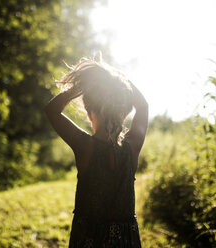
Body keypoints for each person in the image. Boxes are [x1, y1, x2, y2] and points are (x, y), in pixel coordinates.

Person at [44, 58, 148, 248]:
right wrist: (120, 80)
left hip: (88, 239)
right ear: (124, 112)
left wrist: (80, 87)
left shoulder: (86, 146)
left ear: (90, 113)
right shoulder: (132, 147)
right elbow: (143, 106)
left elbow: (52, 111)